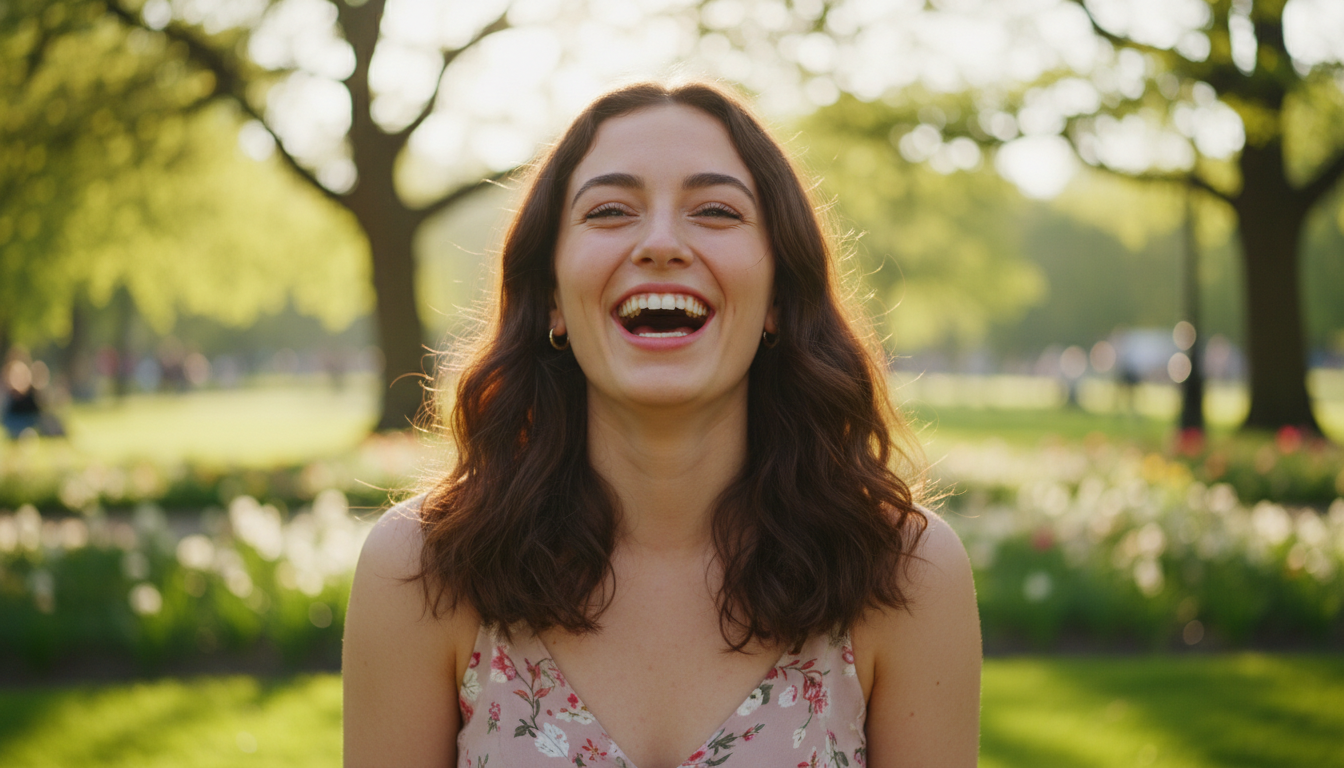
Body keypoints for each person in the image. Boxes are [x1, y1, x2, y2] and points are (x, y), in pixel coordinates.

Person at [343, 81, 982, 768]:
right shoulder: (421, 572)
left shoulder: (907, 575)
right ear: (552, 297)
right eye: (611, 210)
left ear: (777, 295)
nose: (661, 243)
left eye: (714, 210)